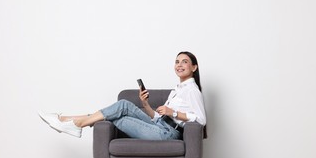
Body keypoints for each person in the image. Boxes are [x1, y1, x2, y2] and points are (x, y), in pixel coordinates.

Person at [38, 51, 206, 140]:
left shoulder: (192, 90)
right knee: (123, 105)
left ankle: (70, 122)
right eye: (177, 61)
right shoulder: (178, 89)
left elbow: (201, 120)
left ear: (194, 67)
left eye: (184, 62)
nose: (179, 65)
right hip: (161, 125)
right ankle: (70, 122)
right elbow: (156, 117)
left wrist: (173, 113)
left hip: (168, 133)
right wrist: (145, 104)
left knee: (115, 117)